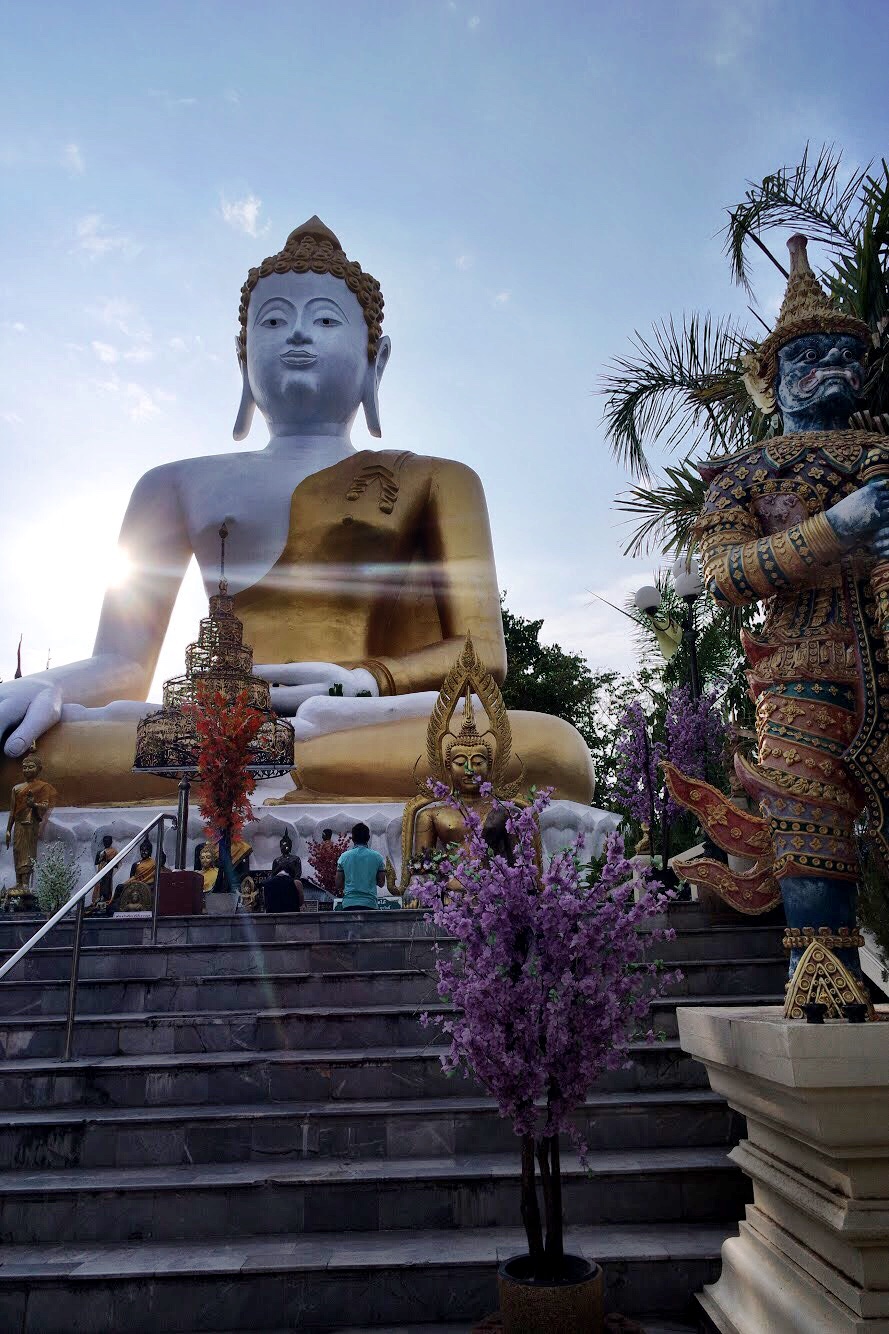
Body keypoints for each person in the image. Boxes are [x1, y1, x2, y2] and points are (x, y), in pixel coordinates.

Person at [0, 217, 594, 807]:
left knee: (552, 750)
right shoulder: (172, 482)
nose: (298, 336)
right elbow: (125, 664)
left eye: (326, 320)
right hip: (206, 726)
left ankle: (271, 772)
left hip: (358, 722)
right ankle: (274, 771)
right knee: (23, 754)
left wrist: (363, 683)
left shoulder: (437, 478)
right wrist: (44, 687)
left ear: (375, 360)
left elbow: (483, 655)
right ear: (243, 356)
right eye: (275, 320)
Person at [335, 822, 384, 910]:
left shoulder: (344, 857)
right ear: (368, 838)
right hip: (370, 904)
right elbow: (381, 883)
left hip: (349, 904)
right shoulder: (377, 857)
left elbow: (338, 884)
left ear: (353, 839)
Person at [91, 834, 118, 908]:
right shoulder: (100, 852)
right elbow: (96, 862)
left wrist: (107, 860)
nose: (107, 842)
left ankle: (107, 900)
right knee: (100, 885)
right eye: (105, 841)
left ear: (111, 842)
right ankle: (98, 899)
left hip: (109, 872)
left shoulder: (114, 852)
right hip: (100, 871)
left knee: (107, 885)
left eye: (108, 841)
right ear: (103, 842)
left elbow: (116, 864)